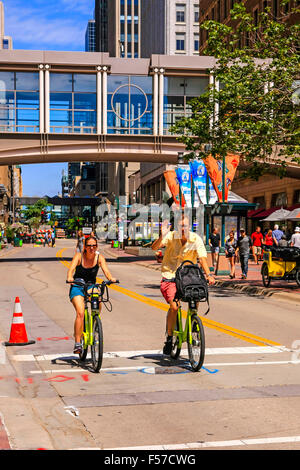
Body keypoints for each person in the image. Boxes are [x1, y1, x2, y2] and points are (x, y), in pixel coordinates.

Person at [151, 215, 215, 355]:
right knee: (174, 307)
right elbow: (154, 247)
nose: (183, 229)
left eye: (185, 226)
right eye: (180, 226)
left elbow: (202, 259)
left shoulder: (195, 239)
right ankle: (169, 337)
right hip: (171, 275)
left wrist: (208, 275)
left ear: (189, 227)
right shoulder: (170, 236)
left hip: (188, 276)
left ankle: (193, 320)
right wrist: (162, 236)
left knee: (197, 292)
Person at [67, 235, 116, 354]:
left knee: (98, 299)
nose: (92, 248)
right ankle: (78, 343)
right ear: (84, 246)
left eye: (94, 245)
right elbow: (71, 270)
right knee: (80, 312)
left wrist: (110, 278)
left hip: (90, 287)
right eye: (89, 246)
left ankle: (95, 324)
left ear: (97, 246)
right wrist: (69, 277)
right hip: (78, 286)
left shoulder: (99, 258)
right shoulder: (79, 256)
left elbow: (106, 271)